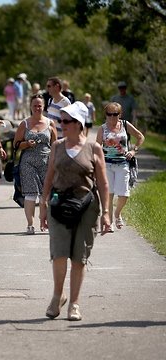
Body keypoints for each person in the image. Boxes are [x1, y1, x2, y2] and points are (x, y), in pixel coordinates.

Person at [40, 101, 111, 322]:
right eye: (61, 120)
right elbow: (49, 176)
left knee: (79, 257)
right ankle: (57, 296)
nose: (62, 124)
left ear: (78, 124)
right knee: (59, 253)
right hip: (59, 205)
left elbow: (103, 184)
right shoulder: (57, 146)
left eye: (67, 121)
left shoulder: (93, 148)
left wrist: (107, 213)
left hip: (86, 207)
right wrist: (43, 206)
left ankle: (74, 304)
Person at [95, 102, 144, 231]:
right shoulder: (102, 128)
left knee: (124, 194)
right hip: (107, 165)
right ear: (105, 115)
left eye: (115, 114)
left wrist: (134, 151)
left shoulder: (125, 125)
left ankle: (117, 213)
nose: (112, 117)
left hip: (123, 163)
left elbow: (140, 137)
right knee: (109, 194)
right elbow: (96, 146)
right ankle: (109, 222)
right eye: (109, 114)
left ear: (120, 114)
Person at [13, 94, 57, 234]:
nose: (37, 108)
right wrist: (26, 144)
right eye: (35, 105)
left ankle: (46, 220)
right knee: (30, 194)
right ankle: (30, 224)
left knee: (47, 195)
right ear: (30, 107)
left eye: (40, 105)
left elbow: (55, 144)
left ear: (43, 107)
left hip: (47, 162)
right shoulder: (24, 124)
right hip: (28, 162)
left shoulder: (50, 123)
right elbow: (16, 144)